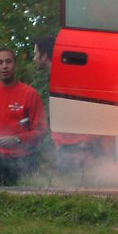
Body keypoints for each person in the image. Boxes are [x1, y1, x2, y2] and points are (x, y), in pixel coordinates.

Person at [0, 47, 47, 186]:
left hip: (24, 160)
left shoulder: (30, 94)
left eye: (8, 61)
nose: (4, 66)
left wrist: (18, 139)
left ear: (15, 64)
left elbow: (41, 130)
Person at [37, 35, 97, 173]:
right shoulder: (54, 79)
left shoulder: (68, 78)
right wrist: (58, 144)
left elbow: (87, 110)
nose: (34, 58)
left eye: (36, 54)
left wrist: (85, 143)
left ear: (44, 56)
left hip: (80, 146)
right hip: (65, 146)